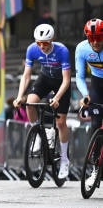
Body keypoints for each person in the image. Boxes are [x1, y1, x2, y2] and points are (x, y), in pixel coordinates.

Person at [13, 24, 71, 179]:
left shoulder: (62, 51)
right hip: (45, 78)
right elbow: (26, 76)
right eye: (39, 43)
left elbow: (66, 80)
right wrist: (20, 96)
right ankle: (38, 134)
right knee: (29, 103)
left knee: (60, 123)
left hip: (61, 83)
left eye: (45, 43)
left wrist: (57, 97)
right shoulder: (32, 49)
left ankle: (65, 159)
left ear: (51, 40)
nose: (41, 46)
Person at [75, 18, 103, 188]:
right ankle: (95, 170)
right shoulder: (82, 48)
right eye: (91, 39)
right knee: (95, 125)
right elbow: (79, 77)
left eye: (98, 38)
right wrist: (85, 96)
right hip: (97, 86)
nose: (94, 43)